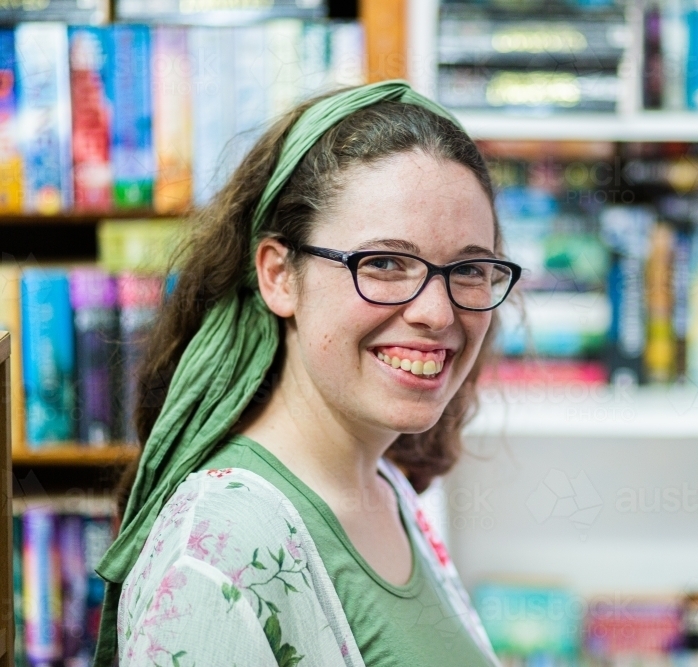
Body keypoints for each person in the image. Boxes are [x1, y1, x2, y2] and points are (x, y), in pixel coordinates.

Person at [94, 81, 520, 667]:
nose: (437, 313)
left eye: (469, 269)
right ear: (279, 275)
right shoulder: (220, 547)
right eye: (385, 262)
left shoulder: (386, 487)